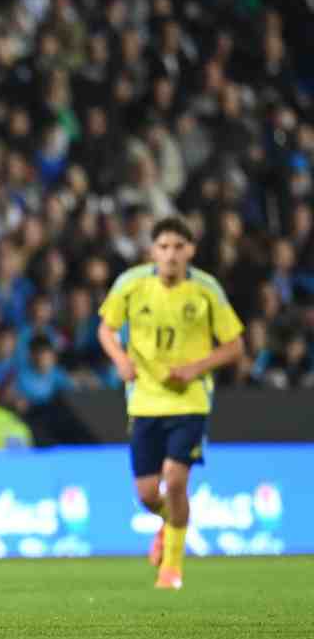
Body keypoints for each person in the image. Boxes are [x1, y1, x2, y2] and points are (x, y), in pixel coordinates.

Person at [97, 217, 244, 590]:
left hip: (190, 402)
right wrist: (120, 360)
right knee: (148, 494)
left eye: (179, 247)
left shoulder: (206, 289)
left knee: (176, 480)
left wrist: (197, 367)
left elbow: (235, 345)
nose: (171, 254)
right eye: (164, 247)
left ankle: (172, 570)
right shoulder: (131, 284)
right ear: (152, 251)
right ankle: (168, 523)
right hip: (144, 401)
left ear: (191, 251)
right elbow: (106, 329)